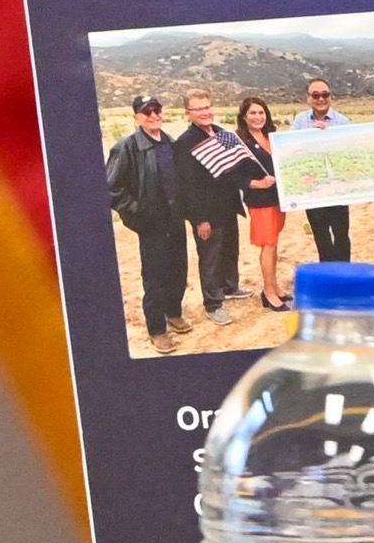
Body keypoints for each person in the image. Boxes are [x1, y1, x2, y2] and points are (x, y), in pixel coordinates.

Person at [104, 93, 188, 353]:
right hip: (152, 223)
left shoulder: (169, 142)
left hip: (175, 219)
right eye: (147, 111)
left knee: (178, 269)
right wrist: (139, 212)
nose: (153, 115)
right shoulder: (126, 147)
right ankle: (157, 329)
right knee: (155, 277)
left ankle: (173, 313)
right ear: (136, 117)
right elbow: (111, 189)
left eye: (157, 110)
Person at [171, 88, 248, 323]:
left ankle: (229, 287)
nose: (205, 112)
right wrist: (199, 219)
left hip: (227, 206)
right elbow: (187, 186)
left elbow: (235, 164)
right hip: (206, 212)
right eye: (199, 109)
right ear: (188, 113)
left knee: (229, 250)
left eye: (207, 107)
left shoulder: (221, 133)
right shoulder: (185, 143)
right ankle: (213, 303)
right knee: (210, 258)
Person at [228, 93, 286, 309]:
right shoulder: (240, 143)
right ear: (244, 117)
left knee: (274, 243)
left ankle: (275, 286)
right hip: (260, 201)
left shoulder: (271, 137)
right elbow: (233, 176)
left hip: (279, 198)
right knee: (268, 245)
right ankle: (268, 293)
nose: (258, 116)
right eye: (252, 112)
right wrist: (255, 183)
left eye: (261, 112)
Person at [290, 79, 352, 263]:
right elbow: (291, 151)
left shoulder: (342, 122)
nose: (320, 99)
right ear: (308, 98)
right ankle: (327, 274)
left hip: (338, 189)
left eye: (325, 94)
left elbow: (349, 153)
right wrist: (309, 135)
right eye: (315, 95)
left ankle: (343, 275)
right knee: (320, 235)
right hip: (313, 190)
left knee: (341, 234)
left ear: (331, 97)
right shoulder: (300, 122)